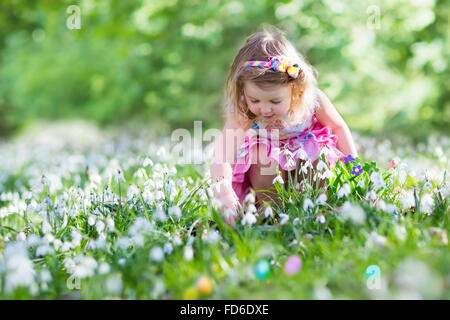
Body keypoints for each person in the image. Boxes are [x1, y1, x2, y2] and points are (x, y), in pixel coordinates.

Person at [210, 27, 358, 226]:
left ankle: (314, 208)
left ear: (294, 88)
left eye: (275, 101)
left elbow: (338, 128)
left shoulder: (312, 100)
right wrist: (223, 189)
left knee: (318, 156)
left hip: (305, 156)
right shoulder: (244, 110)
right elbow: (223, 154)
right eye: (255, 99)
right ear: (243, 89)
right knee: (261, 160)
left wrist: (355, 169)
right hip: (269, 159)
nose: (265, 109)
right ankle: (271, 213)